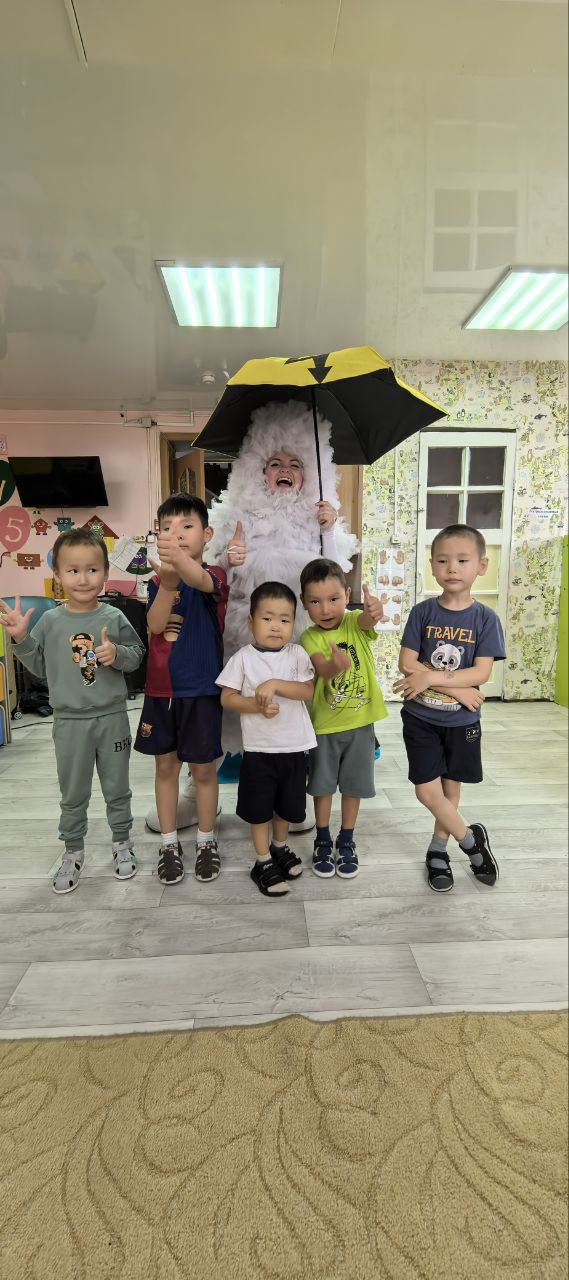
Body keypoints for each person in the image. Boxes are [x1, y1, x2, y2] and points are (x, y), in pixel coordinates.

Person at [145, 400, 358, 833]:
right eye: (274, 463)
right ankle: (196, 791)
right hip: (239, 630)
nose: (284, 470)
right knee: (222, 710)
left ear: (309, 473)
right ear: (258, 470)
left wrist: (329, 529)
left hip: (296, 631)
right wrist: (229, 555)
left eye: (295, 464)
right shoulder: (236, 515)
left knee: (291, 707)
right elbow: (208, 571)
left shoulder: (319, 517)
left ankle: (289, 793)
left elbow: (333, 575)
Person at [0, 529, 145, 893]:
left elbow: (136, 656)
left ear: (105, 572)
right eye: (73, 570)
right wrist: (20, 638)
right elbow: (40, 666)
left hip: (112, 718)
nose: (83, 579)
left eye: (92, 569)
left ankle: (122, 843)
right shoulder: (51, 621)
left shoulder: (114, 616)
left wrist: (117, 655)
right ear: (59, 576)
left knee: (117, 787)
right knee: (73, 792)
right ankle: (73, 850)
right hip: (68, 722)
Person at [393, 523, 504, 892]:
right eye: (442, 560)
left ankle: (437, 850)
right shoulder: (423, 612)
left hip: (461, 723)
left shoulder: (485, 619)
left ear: (481, 566)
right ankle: (471, 842)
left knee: (450, 790)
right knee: (427, 792)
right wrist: (454, 689)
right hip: (420, 717)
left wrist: (429, 676)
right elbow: (407, 663)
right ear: (432, 566)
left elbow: (482, 673)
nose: (452, 567)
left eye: (462, 560)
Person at [134, 493, 227, 886]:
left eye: (187, 526)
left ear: (207, 534)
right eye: (167, 528)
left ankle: (206, 840)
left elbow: (199, 579)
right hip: (161, 693)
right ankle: (169, 844)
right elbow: (156, 626)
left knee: (204, 770)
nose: (177, 534)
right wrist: (167, 582)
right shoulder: (158, 580)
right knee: (165, 767)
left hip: (202, 691)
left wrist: (178, 567)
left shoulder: (215, 575)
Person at [215, 581, 316, 896]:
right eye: (267, 618)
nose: (276, 626)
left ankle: (279, 847)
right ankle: (262, 862)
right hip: (259, 751)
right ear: (251, 622)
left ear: (293, 623)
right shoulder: (243, 658)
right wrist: (254, 706)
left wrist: (275, 683)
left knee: (286, 807)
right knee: (259, 810)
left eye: (285, 619)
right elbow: (227, 698)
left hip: (293, 748)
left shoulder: (296, 654)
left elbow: (307, 690)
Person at [299, 557, 387, 878]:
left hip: (361, 725)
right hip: (324, 728)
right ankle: (323, 838)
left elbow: (366, 622)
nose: (325, 609)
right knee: (322, 787)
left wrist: (373, 612)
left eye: (333, 599)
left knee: (354, 787)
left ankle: (346, 838)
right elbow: (321, 668)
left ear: (347, 595)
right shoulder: (309, 637)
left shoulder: (352, 622)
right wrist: (333, 666)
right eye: (315, 601)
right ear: (304, 604)